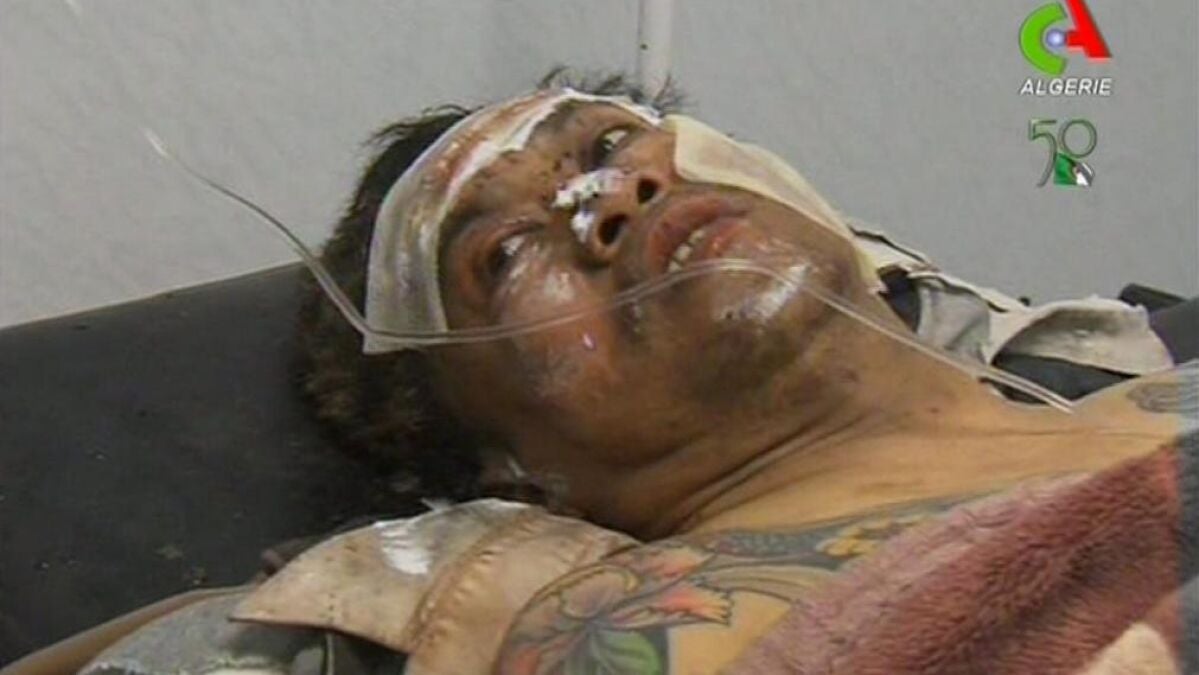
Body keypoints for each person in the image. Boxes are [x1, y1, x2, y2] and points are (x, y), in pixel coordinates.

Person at [21, 74, 1193, 675]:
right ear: (505, 466)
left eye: (608, 144)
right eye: (504, 255)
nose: (615, 194)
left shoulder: (1151, 376)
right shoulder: (581, 620)